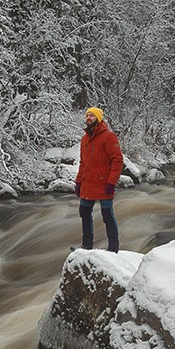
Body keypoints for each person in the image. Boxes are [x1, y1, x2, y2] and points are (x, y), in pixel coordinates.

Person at [74, 106, 123, 253]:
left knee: (107, 216)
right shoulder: (84, 139)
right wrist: (78, 181)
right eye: (87, 115)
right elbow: (83, 163)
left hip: (104, 184)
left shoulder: (108, 136)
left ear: (99, 118)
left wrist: (111, 182)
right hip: (88, 184)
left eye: (92, 116)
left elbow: (117, 161)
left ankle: (113, 248)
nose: (88, 118)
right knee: (84, 212)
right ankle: (86, 245)